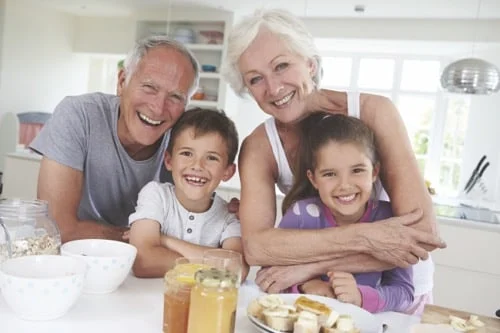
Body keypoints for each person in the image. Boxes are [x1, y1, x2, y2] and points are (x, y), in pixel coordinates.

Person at [221, 8, 445, 306]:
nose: (273, 88)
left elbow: (420, 235)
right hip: (315, 293)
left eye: (282, 66)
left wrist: (307, 266)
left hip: (391, 294)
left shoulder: (375, 112)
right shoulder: (259, 147)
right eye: (255, 79)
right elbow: (258, 247)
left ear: (310, 64)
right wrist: (368, 237)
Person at [30, 35, 200, 243]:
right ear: (122, 82)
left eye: (175, 97)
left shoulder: (186, 141)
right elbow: (56, 227)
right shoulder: (78, 114)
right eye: (149, 87)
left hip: (146, 260)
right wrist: (138, 236)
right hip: (74, 254)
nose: (158, 107)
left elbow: (195, 226)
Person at [279, 113, 414, 314]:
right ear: (314, 179)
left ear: (374, 172)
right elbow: (270, 274)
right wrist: (308, 285)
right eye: (330, 174)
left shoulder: (389, 220)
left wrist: (360, 296)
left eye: (357, 170)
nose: (345, 185)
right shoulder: (300, 216)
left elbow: (404, 293)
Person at [129, 108, 249, 280]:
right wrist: (215, 263)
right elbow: (144, 262)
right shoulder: (155, 195)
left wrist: (165, 241)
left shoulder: (229, 216)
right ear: (169, 161)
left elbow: (237, 270)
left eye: (211, 158)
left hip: (203, 304)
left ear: (228, 171)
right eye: (187, 153)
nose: (197, 166)